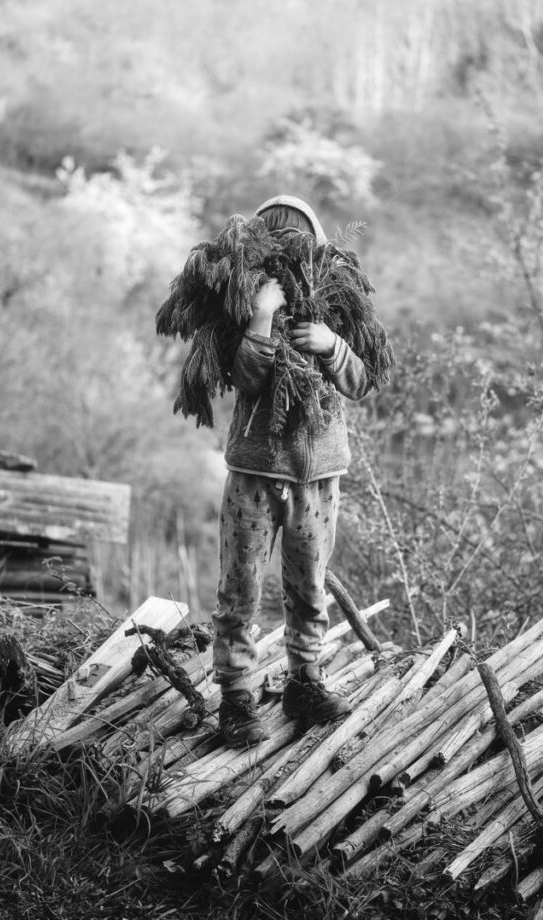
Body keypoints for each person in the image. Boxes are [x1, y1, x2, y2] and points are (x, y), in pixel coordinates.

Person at [213, 194, 385, 747]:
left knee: (309, 586)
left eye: (298, 236)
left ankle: (304, 683)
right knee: (240, 586)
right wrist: (262, 317)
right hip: (255, 473)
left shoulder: (334, 299)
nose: (289, 246)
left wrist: (332, 345)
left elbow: (362, 380)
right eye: (276, 238)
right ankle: (237, 696)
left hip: (318, 478)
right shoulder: (246, 301)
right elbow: (244, 380)